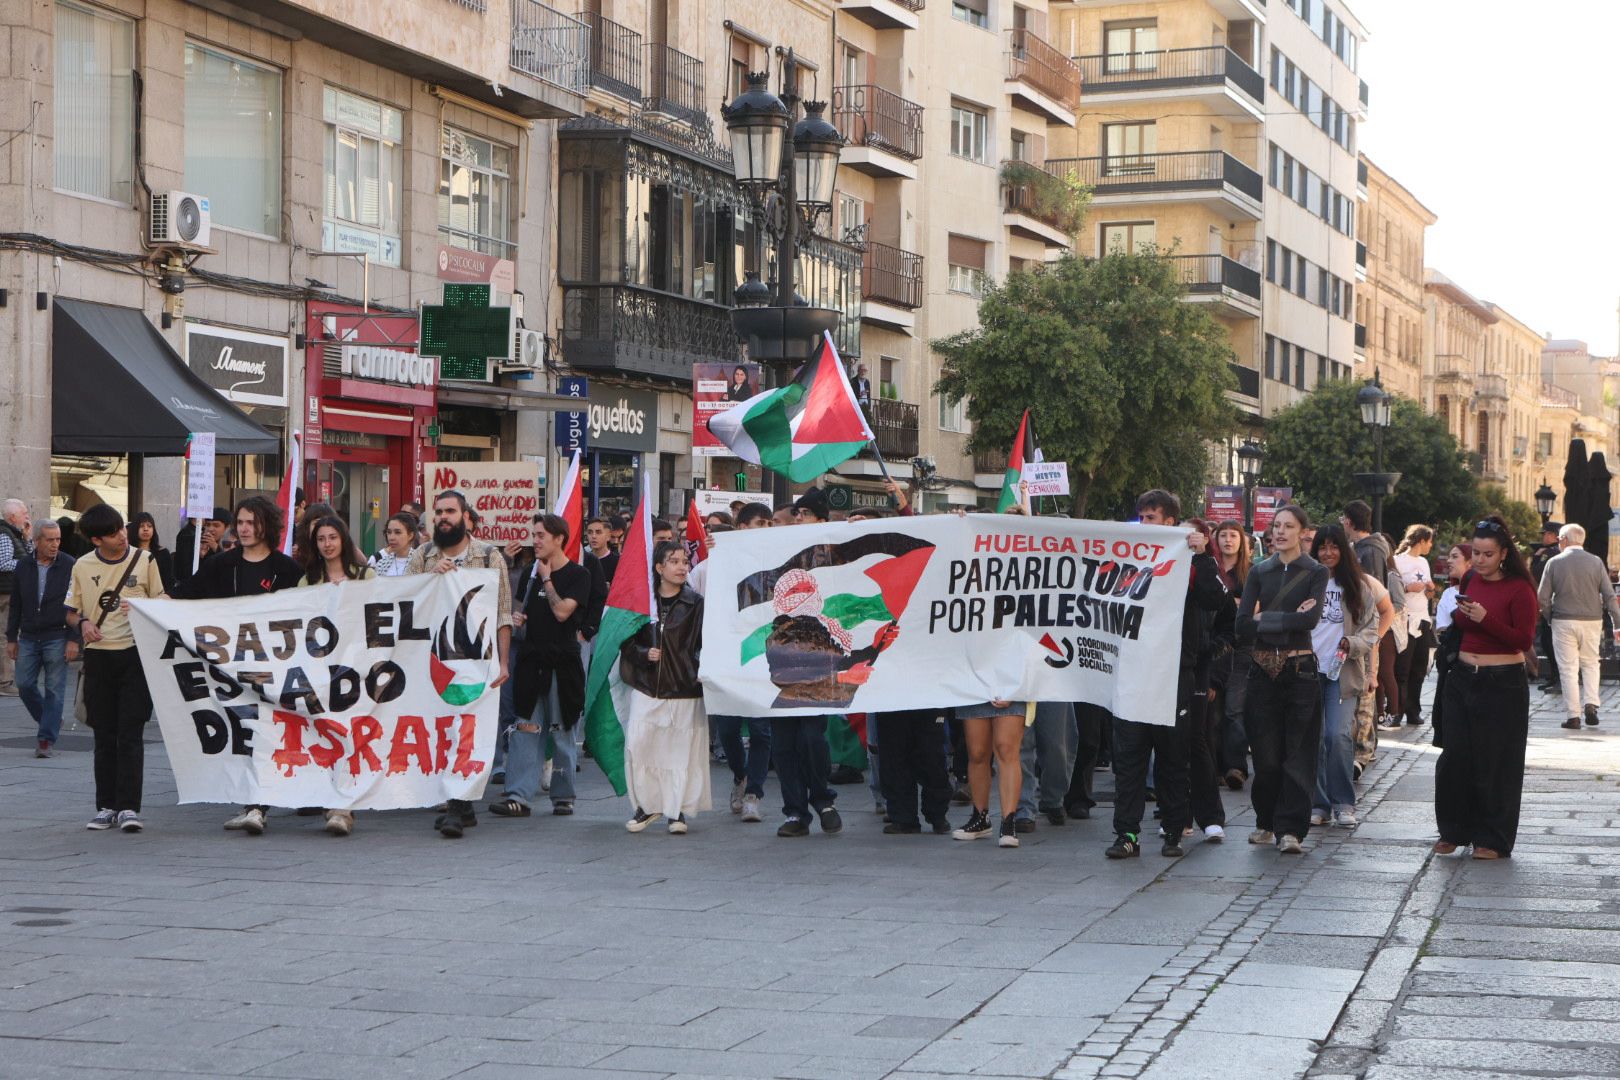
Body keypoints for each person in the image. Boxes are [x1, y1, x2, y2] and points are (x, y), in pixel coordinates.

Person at [1105, 491, 1226, 859]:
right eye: (1141, 517)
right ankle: (1127, 834)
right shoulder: (1126, 556)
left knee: (1173, 757)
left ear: (1170, 522)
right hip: (1132, 675)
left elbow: (1215, 599)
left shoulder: (1188, 559)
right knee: (1129, 760)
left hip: (1173, 676)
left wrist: (1202, 556)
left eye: (1152, 518)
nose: (1144, 524)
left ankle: (1173, 830)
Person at [178, 497, 303, 834]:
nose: (244, 529)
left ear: (267, 526)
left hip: (273, 667)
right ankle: (254, 803)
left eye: (252, 522)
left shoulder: (287, 569)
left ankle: (257, 806)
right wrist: (153, 604)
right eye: (241, 522)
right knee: (242, 734)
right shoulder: (222, 564)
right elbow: (187, 593)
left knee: (265, 732)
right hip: (231, 667)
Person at [407, 491, 514, 838]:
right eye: (438, 511)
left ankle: (457, 805)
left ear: (466, 517)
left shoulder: (489, 556)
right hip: (433, 660)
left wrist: (503, 662)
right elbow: (405, 601)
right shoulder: (423, 556)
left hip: (477, 661)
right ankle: (462, 806)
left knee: (468, 729)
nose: (443, 517)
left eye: (450, 511)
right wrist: (430, 579)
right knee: (441, 730)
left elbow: (502, 613)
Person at [1435, 516, 1538, 859]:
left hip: (1502, 682)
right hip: (1462, 677)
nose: (1479, 560)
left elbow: (1523, 640)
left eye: (1488, 554)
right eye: (1476, 553)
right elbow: (1460, 622)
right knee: (1454, 757)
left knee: (1496, 762)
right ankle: (1453, 830)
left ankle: (1492, 839)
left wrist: (1485, 619)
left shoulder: (1520, 589)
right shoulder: (1470, 579)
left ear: (1504, 553)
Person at [64, 505, 167, 833]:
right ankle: (106, 806)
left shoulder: (144, 560)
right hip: (98, 658)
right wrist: (83, 623)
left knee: (130, 733)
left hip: (136, 656)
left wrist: (141, 605)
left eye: (122, 528)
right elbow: (70, 610)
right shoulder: (82, 565)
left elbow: (163, 599)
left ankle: (129, 808)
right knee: (104, 735)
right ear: (96, 539)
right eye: (112, 533)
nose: (122, 536)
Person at [1236, 504, 1329, 855]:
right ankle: (1266, 820)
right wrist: (1286, 617)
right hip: (1262, 669)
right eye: (1276, 525)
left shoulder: (1315, 571)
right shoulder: (1260, 571)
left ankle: (1290, 829)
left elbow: (1310, 621)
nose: (1280, 532)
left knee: (1298, 754)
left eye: (1288, 526)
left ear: (1302, 532)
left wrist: (1266, 619)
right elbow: (1242, 624)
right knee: (1266, 756)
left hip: (1300, 670)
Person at [491, 513, 591, 820]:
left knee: (561, 731)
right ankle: (518, 796)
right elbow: (521, 613)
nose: (534, 541)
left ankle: (563, 795)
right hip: (531, 664)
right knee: (525, 729)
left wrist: (547, 579)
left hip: (563, 665)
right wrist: (519, 620)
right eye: (533, 535)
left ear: (559, 539)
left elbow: (562, 613)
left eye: (540, 535)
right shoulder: (529, 574)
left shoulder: (578, 575)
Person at [620, 542, 710, 833]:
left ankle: (677, 811)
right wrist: (643, 653)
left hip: (684, 686)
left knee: (679, 753)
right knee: (639, 744)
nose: (682, 567)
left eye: (684, 561)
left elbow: (707, 642)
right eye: (674, 561)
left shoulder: (696, 603)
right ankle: (647, 806)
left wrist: (700, 670)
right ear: (659, 568)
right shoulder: (642, 602)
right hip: (647, 685)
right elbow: (625, 641)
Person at [1308, 525, 1388, 829]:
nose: (1327, 553)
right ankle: (1319, 804)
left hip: (1342, 672)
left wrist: (1353, 645)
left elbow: (1371, 628)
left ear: (1344, 550)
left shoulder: (1358, 586)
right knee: (1314, 738)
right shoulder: (1308, 581)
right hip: (1307, 670)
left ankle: (1343, 802)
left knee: (1337, 735)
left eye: (1334, 546)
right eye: (1322, 547)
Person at [1538, 522, 1620, 731]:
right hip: (1592, 620)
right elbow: (1609, 596)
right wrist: (1617, 623)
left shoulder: (1554, 562)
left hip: (1563, 620)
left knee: (1568, 669)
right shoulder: (1596, 562)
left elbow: (1542, 598)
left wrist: (1550, 617)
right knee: (1591, 663)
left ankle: (1573, 716)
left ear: (1564, 540)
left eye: (1559, 540)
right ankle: (1591, 704)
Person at [7, 520, 77, 756]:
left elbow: (78, 604)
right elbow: (16, 603)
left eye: (58, 539)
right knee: (24, 684)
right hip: (28, 635)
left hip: (57, 634)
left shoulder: (70, 564)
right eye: (50, 540)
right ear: (37, 541)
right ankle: (51, 719)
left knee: (54, 689)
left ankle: (45, 740)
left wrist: (74, 639)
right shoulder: (24, 565)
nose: (55, 544)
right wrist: (11, 638)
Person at [1210, 520, 1252, 789]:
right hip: (1215, 645)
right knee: (1213, 710)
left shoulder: (1250, 573)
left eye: (1233, 535)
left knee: (1234, 709)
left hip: (1242, 647)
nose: (1227, 540)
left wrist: (1234, 605)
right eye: (1223, 535)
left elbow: (1253, 606)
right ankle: (1214, 767)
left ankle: (1236, 766)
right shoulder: (1210, 569)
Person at [1387, 525, 1437, 728]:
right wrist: (1408, 588)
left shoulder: (1424, 562)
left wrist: (1431, 589)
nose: (1431, 545)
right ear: (1421, 541)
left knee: (1419, 667)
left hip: (1422, 619)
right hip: (1404, 619)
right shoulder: (1398, 561)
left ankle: (1413, 711)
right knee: (1402, 668)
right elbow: (1390, 588)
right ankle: (1396, 710)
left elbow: (1428, 595)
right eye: (1429, 541)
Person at [0, 497, 33, 696]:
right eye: (24, 513)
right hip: (6, 593)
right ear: (13, 517)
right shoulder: (4, 534)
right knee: (6, 636)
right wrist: (25, 565)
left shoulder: (15, 534)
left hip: (12, 592)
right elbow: (3, 563)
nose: (27, 517)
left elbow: (30, 556)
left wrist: (27, 538)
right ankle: (5, 682)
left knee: (9, 634)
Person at [1529, 522, 1563, 694]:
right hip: (1549, 603)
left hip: (1552, 604)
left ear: (1554, 535)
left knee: (1551, 642)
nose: (1543, 537)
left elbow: (1536, 573)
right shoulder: (1553, 552)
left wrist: (1536, 557)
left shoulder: (1551, 553)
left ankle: (1559, 678)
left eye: (1546, 534)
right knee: (1547, 641)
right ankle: (1555, 676)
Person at [128, 512, 176, 595]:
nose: (146, 529)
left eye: (149, 526)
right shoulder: (128, 553)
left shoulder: (163, 553)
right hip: (135, 596)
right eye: (141, 526)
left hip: (158, 597)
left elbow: (168, 582)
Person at [368, 513, 419, 577]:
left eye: (398, 532)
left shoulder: (420, 561)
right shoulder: (382, 563)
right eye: (389, 532)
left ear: (410, 535)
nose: (391, 538)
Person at [585, 516, 619, 584]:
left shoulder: (618, 563)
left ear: (608, 536)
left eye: (598, 532)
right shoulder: (582, 561)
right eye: (590, 532)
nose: (593, 536)